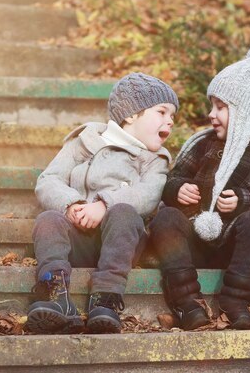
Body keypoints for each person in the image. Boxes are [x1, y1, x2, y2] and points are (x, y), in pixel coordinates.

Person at [149, 40, 250, 330]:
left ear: (247, 112)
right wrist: (177, 189)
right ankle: (186, 302)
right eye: (211, 106)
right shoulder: (204, 143)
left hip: (238, 248)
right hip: (195, 237)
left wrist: (248, 200)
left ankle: (236, 303)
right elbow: (173, 177)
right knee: (166, 217)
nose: (211, 115)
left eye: (221, 107)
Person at [27, 72, 179, 334]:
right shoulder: (85, 141)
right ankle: (56, 293)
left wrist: (103, 205)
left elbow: (148, 195)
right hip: (80, 237)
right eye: (162, 112)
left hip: (122, 242)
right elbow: (48, 179)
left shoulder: (155, 160)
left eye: (173, 116)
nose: (170, 121)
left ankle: (105, 297)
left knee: (123, 213)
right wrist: (71, 204)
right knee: (47, 220)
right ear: (131, 115)